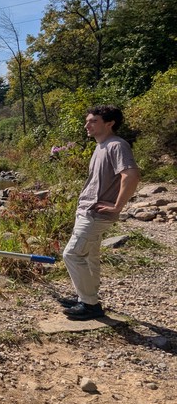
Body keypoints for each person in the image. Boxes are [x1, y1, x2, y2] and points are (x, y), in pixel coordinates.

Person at [62, 105, 140, 320]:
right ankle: (86, 297)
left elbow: (131, 175)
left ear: (109, 123)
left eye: (93, 121)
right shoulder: (101, 146)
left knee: (72, 254)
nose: (87, 125)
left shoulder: (117, 145)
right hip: (88, 210)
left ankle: (90, 305)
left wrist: (117, 206)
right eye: (87, 121)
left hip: (96, 213)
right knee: (89, 257)